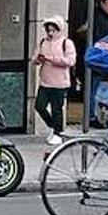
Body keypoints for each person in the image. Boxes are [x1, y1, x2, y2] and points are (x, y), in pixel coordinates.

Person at [33, 15, 77, 145]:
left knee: (56, 108)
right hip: (45, 81)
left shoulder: (66, 43)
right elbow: (34, 59)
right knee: (39, 106)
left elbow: (70, 60)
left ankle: (58, 132)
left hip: (60, 83)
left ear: (59, 30)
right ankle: (54, 126)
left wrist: (52, 58)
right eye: (49, 30)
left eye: (53, 30)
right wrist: (38, 59)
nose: (51, 33)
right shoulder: (43, 42)